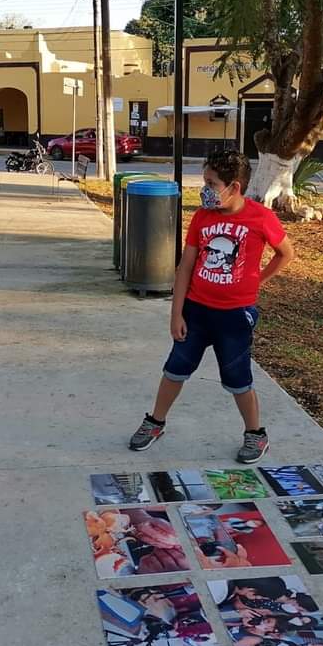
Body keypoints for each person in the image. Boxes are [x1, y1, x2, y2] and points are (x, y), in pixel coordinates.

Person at [127, 149, 295, 463]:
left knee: (237, 378)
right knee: (175, 369)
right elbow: (186, 267)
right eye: (204, 180)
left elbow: (286, 253)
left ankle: (255, 434)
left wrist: (259, 280)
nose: (204, 189)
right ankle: (156, 422)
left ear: (235, 187)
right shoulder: (203, 218)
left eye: (211, 183)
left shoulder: (261, 217)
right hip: (196, 312)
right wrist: (176, 313)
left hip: (234, 317)